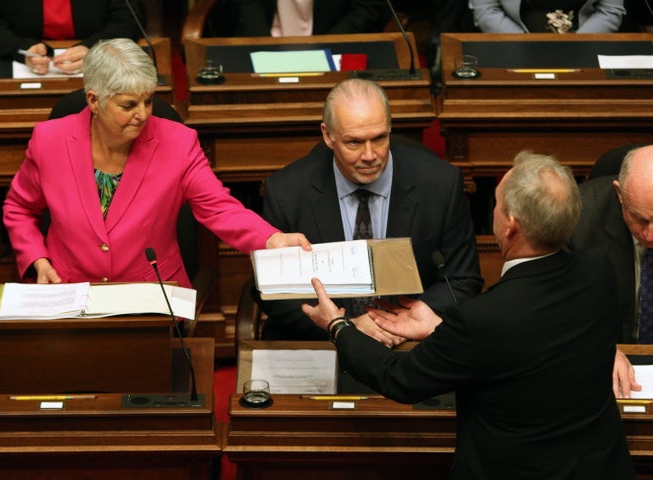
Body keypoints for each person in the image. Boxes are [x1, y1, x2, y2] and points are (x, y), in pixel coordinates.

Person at [302, 151, 635, 479]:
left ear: (510, 228)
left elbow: (399, 378)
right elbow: (532, 340)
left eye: (498, 205)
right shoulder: (599, 269)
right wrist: (444, 331)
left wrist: (337, 326)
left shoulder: (481, 319)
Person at [3, 38, 310, 288]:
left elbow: (218, 207)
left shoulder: (178, 142)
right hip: (69, 292)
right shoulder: (50, 139)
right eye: (128, 105)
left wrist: (270, 238)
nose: (143, 114)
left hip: (152, 295)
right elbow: (19, 208)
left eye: (148, 101)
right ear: (94, 100)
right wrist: (37, 260)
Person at [258, 78, 483, 343]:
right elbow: (271, 292)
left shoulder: (440, 184)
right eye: (354, 142)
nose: (369, 155)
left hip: (411, 345)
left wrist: (417, 315)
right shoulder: (286, 192)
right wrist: (341, 326)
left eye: (379, 138)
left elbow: (462, 278)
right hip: (325, 345)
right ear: (327, 135)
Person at [569, 144, 653, 398]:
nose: (651, 235)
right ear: (619, 194)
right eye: (640, 219)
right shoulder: (578, 222)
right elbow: (557, 308)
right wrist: (599, 348)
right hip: (606, 369)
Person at [0, 0, 143, 75]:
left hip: (100, 63)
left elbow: (128, 20)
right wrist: (20, 48)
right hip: (17, 61)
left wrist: (94, 48)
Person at [234, 0, 390, 37]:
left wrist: (325, 46)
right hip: (264, 46)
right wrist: (264, 45)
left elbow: (366, 8)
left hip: (334, 52)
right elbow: (247, 4)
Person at [468, 0, 626, 33]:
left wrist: (581, 43)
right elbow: (487, 9)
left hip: (585, 42)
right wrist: (519, 43)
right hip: (513, 42)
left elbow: (610, 10)